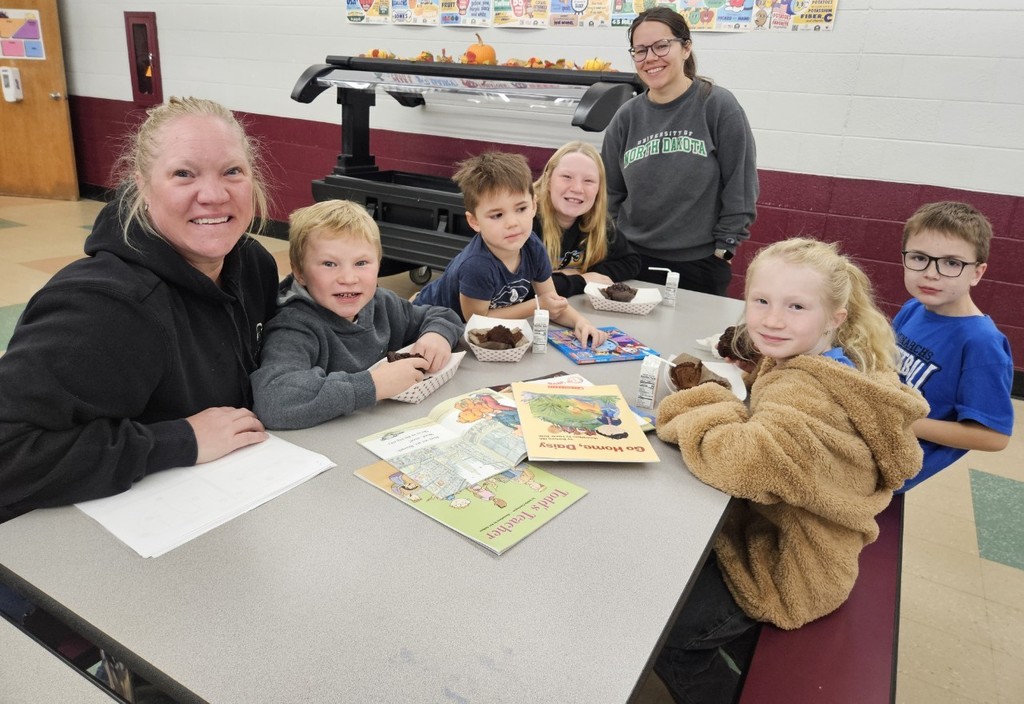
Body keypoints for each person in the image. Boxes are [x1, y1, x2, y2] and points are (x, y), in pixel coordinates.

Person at [0, 97, 279, 635]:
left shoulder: (252, 265)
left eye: (232, 172)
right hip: (61, 568)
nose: (214, 194)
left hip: (214, 528)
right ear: (141, 184)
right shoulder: (106, 307)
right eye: (184, 174)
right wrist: (179, 441)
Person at [654, 237, 928, 703]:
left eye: (796, 306)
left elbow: (744, 462)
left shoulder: (808, 387)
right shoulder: (836, 361)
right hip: (808, 540)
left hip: (788, 568)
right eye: (761, 301)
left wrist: (700, 401)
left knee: (667, 629)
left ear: (834, 317)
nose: (773, 319)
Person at [251, 200, 464, 429]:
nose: (348, 278)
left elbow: (441, 315)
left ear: (378, 265)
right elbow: (274, 401)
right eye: (330, 264)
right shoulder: (294, 327)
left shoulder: (382, 303)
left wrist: (436, 336)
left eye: (361, 263)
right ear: (300, 273)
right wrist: (374, 385)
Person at [602, 7, 758, 296]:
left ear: (686, 47)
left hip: (700, 265)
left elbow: (741, 185)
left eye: (661, 46)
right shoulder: (625, 117)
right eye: (640, 50)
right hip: (631, 261)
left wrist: (725, 249)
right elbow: (608, 193)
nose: (650, 58)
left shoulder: (718, 106)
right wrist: (611, 245)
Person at [414, 151, 608, 347]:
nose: (512, 223)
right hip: (425, 326)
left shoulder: (532, 246)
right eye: (497, 215)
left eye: (521, 209)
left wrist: (581, 322)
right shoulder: (477, 265)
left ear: (533, 206)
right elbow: (477, 321)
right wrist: (538, 305)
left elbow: (552, 301)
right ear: (474, 221)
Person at [893, 201, 1013, 492]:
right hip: (870, 436)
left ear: (977, 272)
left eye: (951, 263)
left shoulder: (982, 343)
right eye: (919, 257)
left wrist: (901, 424)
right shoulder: (914, 308)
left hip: (891, 465)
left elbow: (994, 437)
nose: (931, 273)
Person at [533, 141, 641, 297]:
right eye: (567, 177)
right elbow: (522, 288)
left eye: (588, 181)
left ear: (599, 189)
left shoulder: (596, 223)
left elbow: (631, 262)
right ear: (548, 180)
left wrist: (582, 274)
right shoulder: (525, 218)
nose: (577, 188)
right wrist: (582, 280)